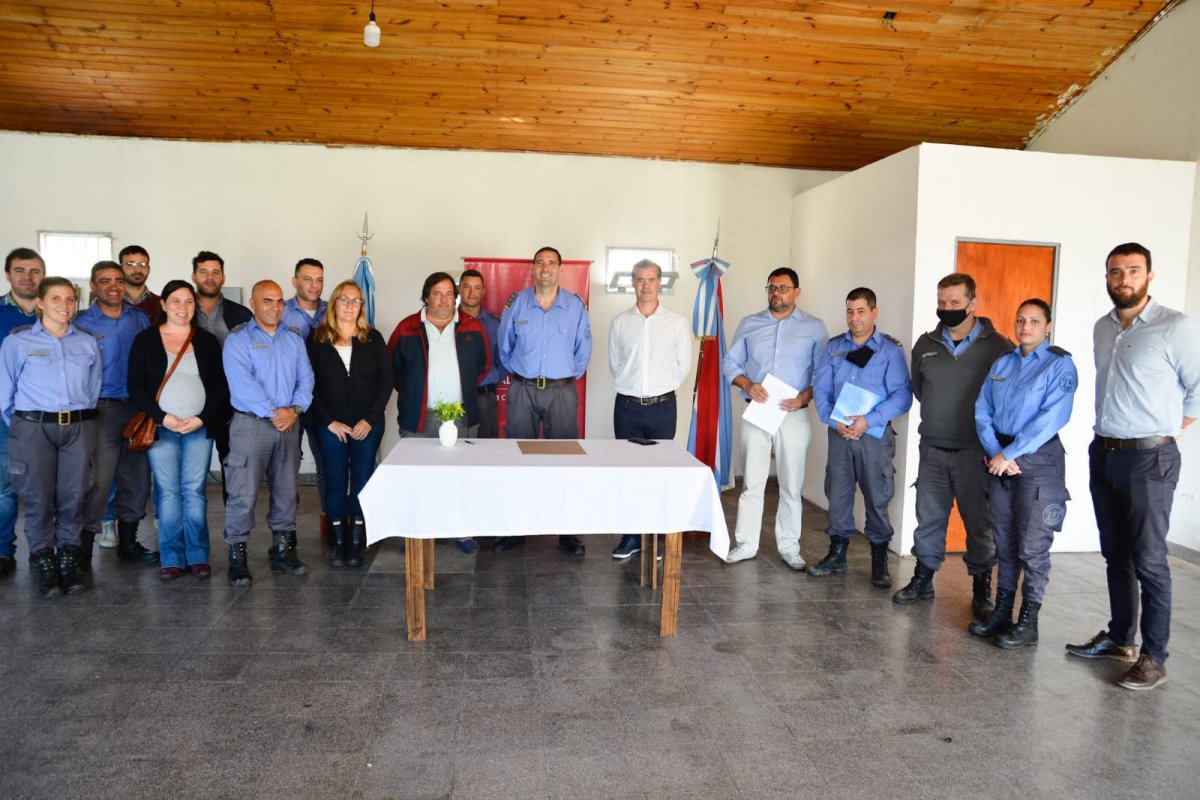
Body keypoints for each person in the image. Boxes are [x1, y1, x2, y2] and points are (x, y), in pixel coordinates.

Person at [1066, 243, 1200, 691]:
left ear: (1149, 276)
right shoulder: (1103, 328)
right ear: (1107, 277)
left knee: (1150, 559)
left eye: (1133, 270)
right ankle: (1121, 638)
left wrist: (1167, 430)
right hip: (1104, 452)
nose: (1124, 279)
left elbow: (1198, 388)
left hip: (1149, 458)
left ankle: (1154, 657)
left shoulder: (1175, 327)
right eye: (1116, 271)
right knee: (1116, 554)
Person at [894, 272, 1013, 618]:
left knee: (979, 523)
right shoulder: (926, 345)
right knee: (928, 518)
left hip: (977, 453)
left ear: (973, 303)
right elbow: (920, 389)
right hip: (933, 448)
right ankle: (923, 578)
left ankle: (981, 587)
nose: (947, 308)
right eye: (942, 302)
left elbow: (1006, 399)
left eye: (955, 303)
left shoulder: (999, 347)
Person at [970, 299, 1076, 648]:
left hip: (1038, 462)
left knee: (1033, 547)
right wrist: (995, 452)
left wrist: (1010, 454)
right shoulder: (1003, 362)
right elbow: (982, 408)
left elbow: (1053, 417)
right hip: (999, 458)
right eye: (1020, 320)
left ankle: (1028, 623)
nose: (1025, 327)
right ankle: (1002, 613)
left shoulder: (1059, 364)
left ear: (1048, 326)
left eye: (1034, 321)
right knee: (1004, 542)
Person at [0, 277, 101, 597]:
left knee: (74, 496)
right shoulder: (18, 342)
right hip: (33, 428)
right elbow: (5, 392)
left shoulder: (86, 342)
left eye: (70, 299)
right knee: (38, 498)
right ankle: (44, 560)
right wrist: (25, 425)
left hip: (77, 428)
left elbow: (93, 388)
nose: (64, 305)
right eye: (56, 298)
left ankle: (67, 560)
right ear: (40, 303)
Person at [722, 267, 828, 569]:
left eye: (783, 288)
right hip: (758, 412)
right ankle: (746, 544)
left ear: (797, 292)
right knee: (752, 483)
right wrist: (747, 384)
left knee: (791, 484)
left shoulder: (814, 327)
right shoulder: (750, 324)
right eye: (771, 287)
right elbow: (730, 362)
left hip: (793, 414)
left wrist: (805, 397)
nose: (776, 293)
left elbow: (824, 373)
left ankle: (789, 546)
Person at [810, 287, 912, 587]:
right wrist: (834, 421)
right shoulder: (833, 347)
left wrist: (869, 420)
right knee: (838, 495)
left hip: (873, 437)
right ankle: (837, 554)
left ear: (874, 312)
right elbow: (821, 390)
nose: (854, 318)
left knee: (877, 497)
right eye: (850, 311)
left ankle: (879, 559)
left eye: (861, 311)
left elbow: (902, 396)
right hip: (840, 435)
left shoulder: (890, 351)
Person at [128, 280, 229, 580]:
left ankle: (197, 555)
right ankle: (171, 556)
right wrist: (162, 416)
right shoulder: (146, 340)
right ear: (163, 304)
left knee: (194, 492)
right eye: (176, 301)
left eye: (188, 302)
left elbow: (220, 387)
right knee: (169, 493)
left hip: (198, 428)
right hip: (162, 428)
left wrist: (202, 418)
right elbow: (135, 385)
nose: (182, 307)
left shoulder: (206, 341)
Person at [494, 246, 592, 555]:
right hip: (522, 390)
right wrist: (524, 374)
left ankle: (566, 533)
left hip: (561, 391)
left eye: (551, 263)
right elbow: (504, 347)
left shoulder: (575, 306)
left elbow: (583, 353)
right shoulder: (517, 304)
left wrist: (560, 378)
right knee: (517, 459)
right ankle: (516, 530)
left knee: (564, 462)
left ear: (560, 269)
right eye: (540, 263)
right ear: (533, 268)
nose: (545, 268)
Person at [221, 280, 314, 587]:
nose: (275, 307)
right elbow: (242, 385)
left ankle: (283, 552)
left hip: (289, 424)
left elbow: (306, 379)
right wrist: (277, 414)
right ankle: (238, 558)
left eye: (279, 301)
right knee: (243, 493)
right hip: (252, 425)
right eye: (267, 301)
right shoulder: (238, 340)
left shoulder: (294, 338)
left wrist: (294, 410)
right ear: (253, 303)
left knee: (287, 491)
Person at [391, 272, 490, 554]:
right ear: (426, 296)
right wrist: (417, 394)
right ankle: (417, 533)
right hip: (420, 417)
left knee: (461, 476)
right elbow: (394, 371)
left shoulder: (472, 326)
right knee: (417, 477)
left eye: (449, 294)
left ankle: (462, 531)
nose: (444, 300)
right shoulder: (407, 328)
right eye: (437, 293)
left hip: (461, 416)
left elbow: (483, 366)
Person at [607, 258, 692, 559]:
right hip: (627, 407)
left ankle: (655, 535)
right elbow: (615, 364)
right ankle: (631, 536)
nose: (646, 285)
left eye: (652, 279)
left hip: (662, 407)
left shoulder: (676, 323)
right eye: (640, 279)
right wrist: (634, 387)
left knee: (659, 471)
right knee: (629, 472)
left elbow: (683, 366)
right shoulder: (620, 322)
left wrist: (659, 389)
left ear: (660, 283)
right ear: (633, 283)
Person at [73, 261, 155, 570]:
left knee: (137, 478)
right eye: (104, 280)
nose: (113, 286)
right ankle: (83, 546)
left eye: (118, 280)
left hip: (136, 409)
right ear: (93, 286)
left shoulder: (140, 319)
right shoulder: (82, 322)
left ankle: (129, 543)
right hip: (100, 409)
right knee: (100, 479)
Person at [308, 280, 392, 567]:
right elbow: (308, 385)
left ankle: (356, 542)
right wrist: (329, 421)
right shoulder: (317, 339)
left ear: (361, 306)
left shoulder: (373, 338)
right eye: (344, 299)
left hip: (367, 425)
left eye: (356, 300)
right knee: (334, 481)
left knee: (362, 480)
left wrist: (369, 419)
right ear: (334, 303)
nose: (350, 305)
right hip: (330, 425)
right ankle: (338, 542)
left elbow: (386, 383)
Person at [191, 250, 253, 500]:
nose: (210, 277)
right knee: (193, 470)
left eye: (215, 272)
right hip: (192, 400)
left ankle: (234, 520)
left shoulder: (241, 315)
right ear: (194, 276)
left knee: (233, 466)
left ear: (223, 277)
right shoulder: (182, 311)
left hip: (231, 402)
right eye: (204, 272)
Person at [0, 247, 44, 577]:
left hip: (45, 417)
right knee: (5, 486)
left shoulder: (54, 312)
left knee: (45, 487)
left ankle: (42, 549)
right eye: (20, 271)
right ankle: (3, 550)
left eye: (34, 271)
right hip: (5, 416)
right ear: (8, 275)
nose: (27, 277)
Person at [282, 258, 328, 522]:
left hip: (323, 400)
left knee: (326, 463)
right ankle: (287, 524)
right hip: (290, 400)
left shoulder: (332, 311)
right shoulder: (281, 312)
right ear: (295, 281)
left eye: (319, 280)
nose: (314, 285)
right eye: (308, 279)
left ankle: (329, 519)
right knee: (287, 466)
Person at [458, 269, 506, 438]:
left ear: (483, 291)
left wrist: (489, 380)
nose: (472, 293)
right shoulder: (447, 322)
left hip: (484, 398)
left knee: (486, 448)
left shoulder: (495, 324)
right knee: (452, 447)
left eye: (477, 288)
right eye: (467, 287)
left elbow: (503, 361)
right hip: (455, 398)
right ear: (459, 289)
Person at [119, 244, 161, 321]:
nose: (137, 270)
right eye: (130, 264)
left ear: (148, 269)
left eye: (142, 264)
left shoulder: (161, 304)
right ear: (120, 268)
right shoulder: (110, 303)